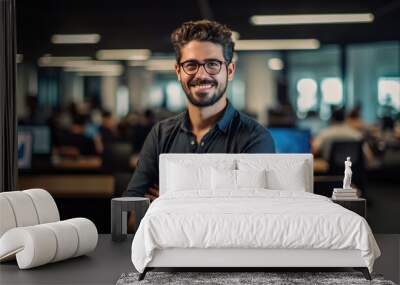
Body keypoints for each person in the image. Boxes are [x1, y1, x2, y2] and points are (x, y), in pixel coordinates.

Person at [125, 19, 275, 202]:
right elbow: (128, 215)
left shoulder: (255, 138)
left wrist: (170, 201)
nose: (202, 75)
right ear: (178, 72)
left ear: (229, 71)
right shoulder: (160, 135)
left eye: (212, 64)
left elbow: (247, 220)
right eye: (191, 65)